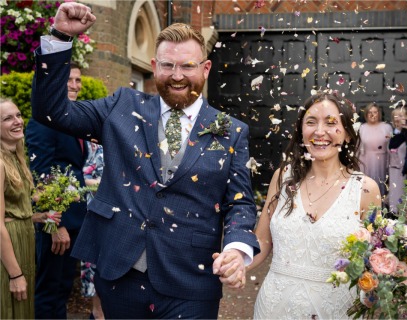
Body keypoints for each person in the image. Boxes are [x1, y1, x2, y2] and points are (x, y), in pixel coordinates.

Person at [30, 3, 259, 318]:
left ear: (205, 69)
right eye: (168, 65)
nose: (177, 76)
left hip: (190, 282)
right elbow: (51, 111)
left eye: (187, 66)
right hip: (121, 274)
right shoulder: (123, 106)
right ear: (154, 66)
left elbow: (240, 203)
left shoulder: (231, 131)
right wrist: (60, 38)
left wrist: (236, 248)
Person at [249, 91, 381, 319]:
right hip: (274, 307)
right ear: (302, 131)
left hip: (336, 310)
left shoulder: (366, 189)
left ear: (348, 134)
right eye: (311, 122)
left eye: (331, 123)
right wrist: (234, 263)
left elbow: (374, 258)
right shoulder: (283, 178)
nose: (319, 132)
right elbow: (261, 240)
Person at [26, 62, 88, 319]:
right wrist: (54, 224)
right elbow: (40, 174)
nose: (74, 86)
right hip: (56, 222)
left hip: (75, 219)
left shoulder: (71, 118)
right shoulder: (44, 120)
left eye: (78, 81)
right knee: (48, 289)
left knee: (62, 288)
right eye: (69, 80)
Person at [0, 98, 60, 319]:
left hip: (24, 242)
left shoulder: (16, 157)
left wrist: (38, 217)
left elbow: (13, 211)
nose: (17, 121)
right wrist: (15, 275)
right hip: (8, 251)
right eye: (7, 118)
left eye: (17, 115)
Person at [80, 141, 104, 319]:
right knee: (94, 263)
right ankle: (97, 314)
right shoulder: (87, 145)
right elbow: (79, 178)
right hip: (93, 214)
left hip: (122, 214)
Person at [357, 102, 392, 201]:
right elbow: (357, 148)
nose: (372, 115)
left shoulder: (386, 127)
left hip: (381, 161)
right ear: (366, 114)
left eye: (375, 112)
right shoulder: (362, 128)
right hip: (365, 161)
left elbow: (391, 147)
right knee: (366, 185)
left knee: (380, 184)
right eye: (370, 112)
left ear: (379, 113)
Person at [388, 107, 407, 213]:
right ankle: (393, 213)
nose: (399, 118)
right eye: (396, 116)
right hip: (393, 168)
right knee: (394, 191)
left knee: (404, 191)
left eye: (401, 115)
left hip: (406, 169)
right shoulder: (391, 132)